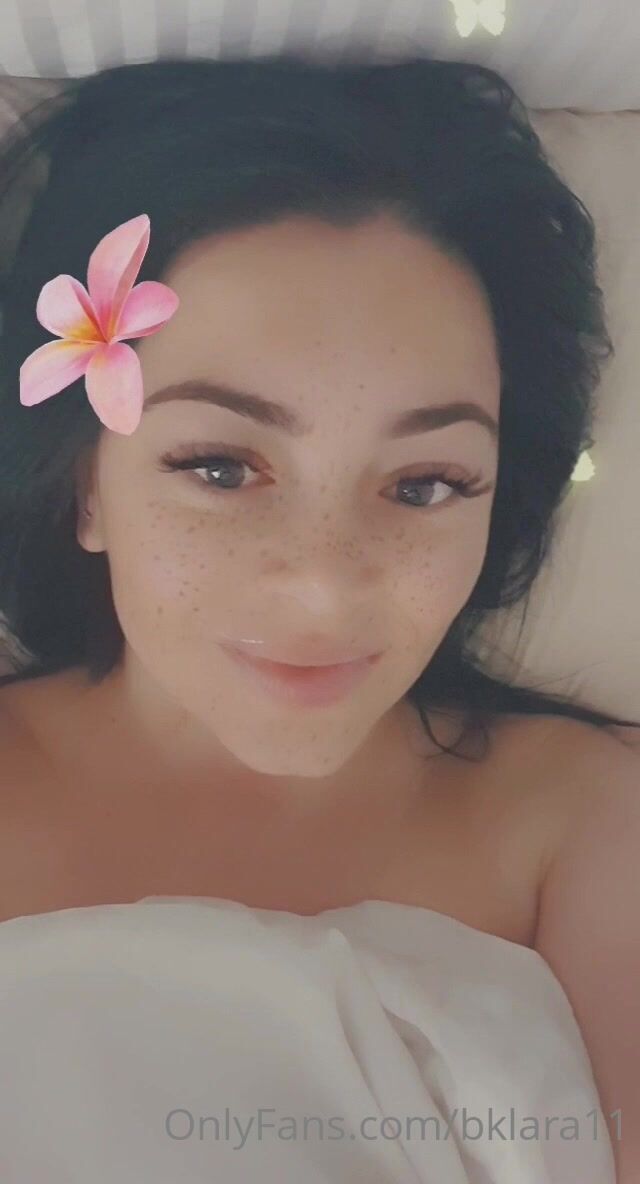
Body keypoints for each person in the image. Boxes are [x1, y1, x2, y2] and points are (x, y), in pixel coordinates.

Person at [0, 52, 637, 1183]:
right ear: (85, 483)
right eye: (219, 468)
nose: (325, 588)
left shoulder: (585, 821)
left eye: (426, 484)